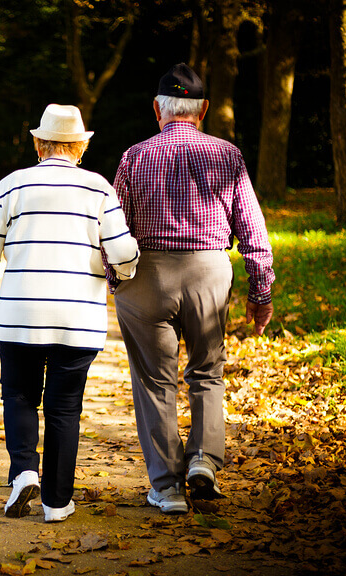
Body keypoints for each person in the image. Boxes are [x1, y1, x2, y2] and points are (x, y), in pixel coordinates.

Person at [0, 104, 140, 523]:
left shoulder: (11, 186)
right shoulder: (98, 188)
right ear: (80, 147)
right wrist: (125, 273)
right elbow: (124, 251)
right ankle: (57, 503)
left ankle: (23, 471)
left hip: (21, 314)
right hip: (78, 319)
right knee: (64, 407)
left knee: (19, 395)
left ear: (39, 143)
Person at [107, 63, 275, 515]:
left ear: (158, 110)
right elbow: (252, 230)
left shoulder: (135, 156)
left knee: (153, 380)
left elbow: (115, 227)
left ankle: (166, 488)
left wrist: (112, 280)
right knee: (207, 371)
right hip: (209, 272)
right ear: (202, 110)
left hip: (148, 275)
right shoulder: (228, 155)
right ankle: (203, 460)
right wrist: (261, 293)